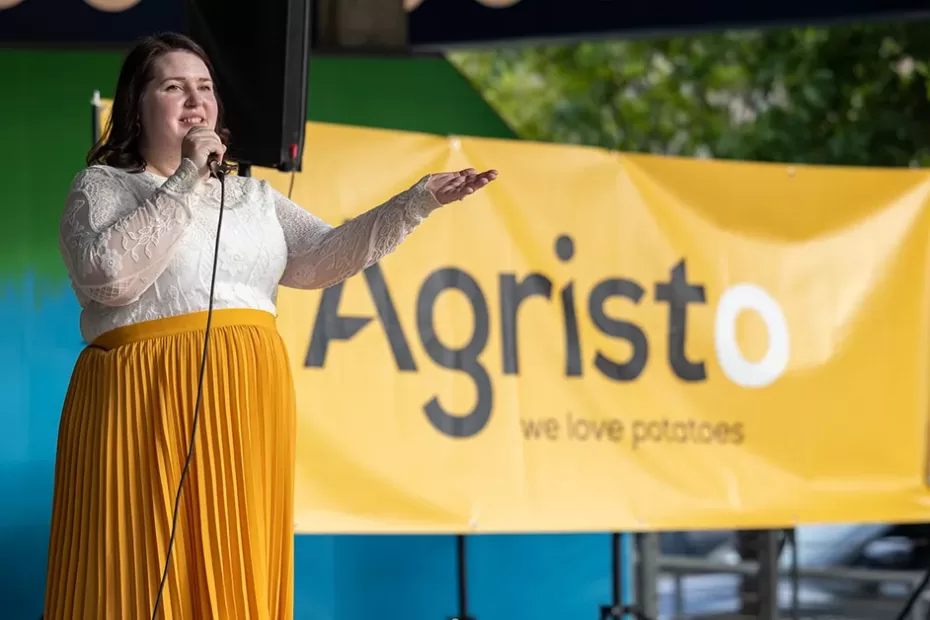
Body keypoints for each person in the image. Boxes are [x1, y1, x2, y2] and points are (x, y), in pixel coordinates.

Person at [43, 32, 497, 620]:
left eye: (204, 88)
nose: (195, 100)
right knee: (144, 564)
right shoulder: (104, 187)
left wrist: (416, 202)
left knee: (238, 566)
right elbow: (107, 279)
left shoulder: (253, 196)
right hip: (145, 399)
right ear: (136, 105)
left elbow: (322, 257)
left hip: (245, 401)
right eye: (174, 86)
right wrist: (185, 180)